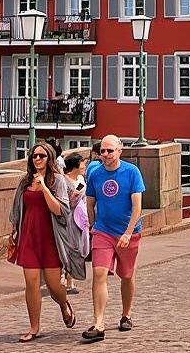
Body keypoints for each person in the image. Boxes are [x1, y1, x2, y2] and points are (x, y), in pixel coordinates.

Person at [9, 141, 78, 343]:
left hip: (51, 238)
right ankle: (34, 327)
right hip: (29, 236)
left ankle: (64, 305)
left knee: (54, 285)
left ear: (49, 159)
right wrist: (13, 230)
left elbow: (60, 210)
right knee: (31, 283)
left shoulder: (57, 180)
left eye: (42, 156)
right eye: (34, 156)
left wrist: (44, 188)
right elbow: (17, 208)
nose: (37, 159)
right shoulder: (24, 182)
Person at [82, 135, 144, 343]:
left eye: (110, 151)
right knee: (99, 273)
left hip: (128, 231)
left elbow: (137, 206)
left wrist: (127, 232)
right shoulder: (95, 174)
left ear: (120, 151)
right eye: (103, 151)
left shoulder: (131, 172)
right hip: (103, 231)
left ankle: (126, 314)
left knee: (126, 276)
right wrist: (92, 226)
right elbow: (90, 203)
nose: (106, 155)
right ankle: (98, 323)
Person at [61, 152, 89, 295]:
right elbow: (67, 203)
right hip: (67, 219)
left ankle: (71, 277)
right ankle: (67, 278)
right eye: (83, 164)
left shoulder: (80, 179)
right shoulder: (63, 181)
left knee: (78, 247)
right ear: (75, 166)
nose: (84, 166)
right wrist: (75, 196)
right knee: (68, 248)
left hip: (79, 218)